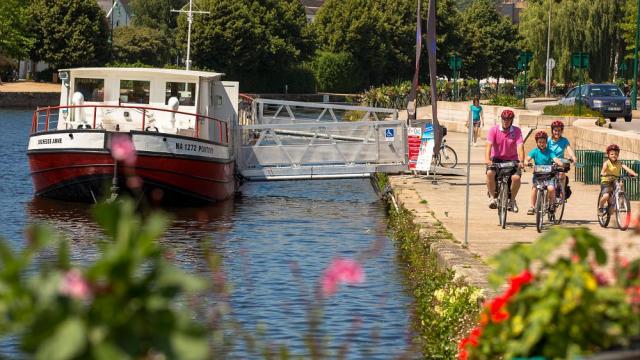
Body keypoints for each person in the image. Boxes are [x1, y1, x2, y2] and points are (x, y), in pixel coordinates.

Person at [486, 109, 524, 212]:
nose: (505, 121)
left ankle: (511, 201)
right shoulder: (493, 130)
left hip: (512, 160)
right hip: (497, 159)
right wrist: (487, 159)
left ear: (512, 120)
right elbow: (488, 146)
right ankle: (492, 198)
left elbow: (520, 146)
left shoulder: (517, 131)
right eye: (504, 119)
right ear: (501, 119)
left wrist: (521, 161)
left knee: (516, 178)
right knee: (490, 173)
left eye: (508, 119)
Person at [525, 131, 564, 215]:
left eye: (543, 142)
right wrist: (526, 162)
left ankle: (551, 204)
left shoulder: (550, 152)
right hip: (538, 175)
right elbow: (527, 158)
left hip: (549, 175)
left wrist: (560, 163)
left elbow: (555, 159)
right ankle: (532, 207)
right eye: (539, 142)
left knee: (551, 188)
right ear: (537, 142)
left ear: (546, 142)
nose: (541, 144)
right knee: (534, 187)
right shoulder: (534, 151)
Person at [598, 144, 638, 214]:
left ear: (618, 155)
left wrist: (634, 173)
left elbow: (627, 168)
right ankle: (600, 207)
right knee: (606, 196)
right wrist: (603, 173)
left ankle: (621, 200)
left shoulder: (620, 163)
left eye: (616, 154)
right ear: (608, 155)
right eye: (612, 154)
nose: (614, 155)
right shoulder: (606, 163)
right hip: (606, 181)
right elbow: (603, 170)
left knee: (621, 184)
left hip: (614, 180)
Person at [547, 120, 577, 198]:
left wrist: (573, 157)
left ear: (562, 131)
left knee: (562, 174)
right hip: (549, 161)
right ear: (552, 130)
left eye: (559, 130)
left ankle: (562, 190)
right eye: (555, 130)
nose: (557, 132)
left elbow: (569, 149)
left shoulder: (564, 140)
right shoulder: (548, 140)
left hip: (560, 162)